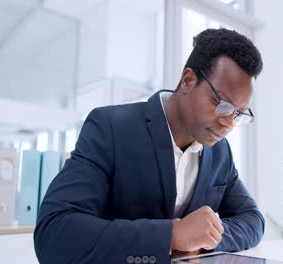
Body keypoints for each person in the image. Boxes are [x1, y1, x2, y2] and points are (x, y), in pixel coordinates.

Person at [34, 28, 264, 264]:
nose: (228, 123)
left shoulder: (219, 151)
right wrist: (172, 235)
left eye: (238, 113)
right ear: (188, 81)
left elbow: (253, 219)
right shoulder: (111, 127)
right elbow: (54, 233)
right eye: (222, 104)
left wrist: (206, 238)